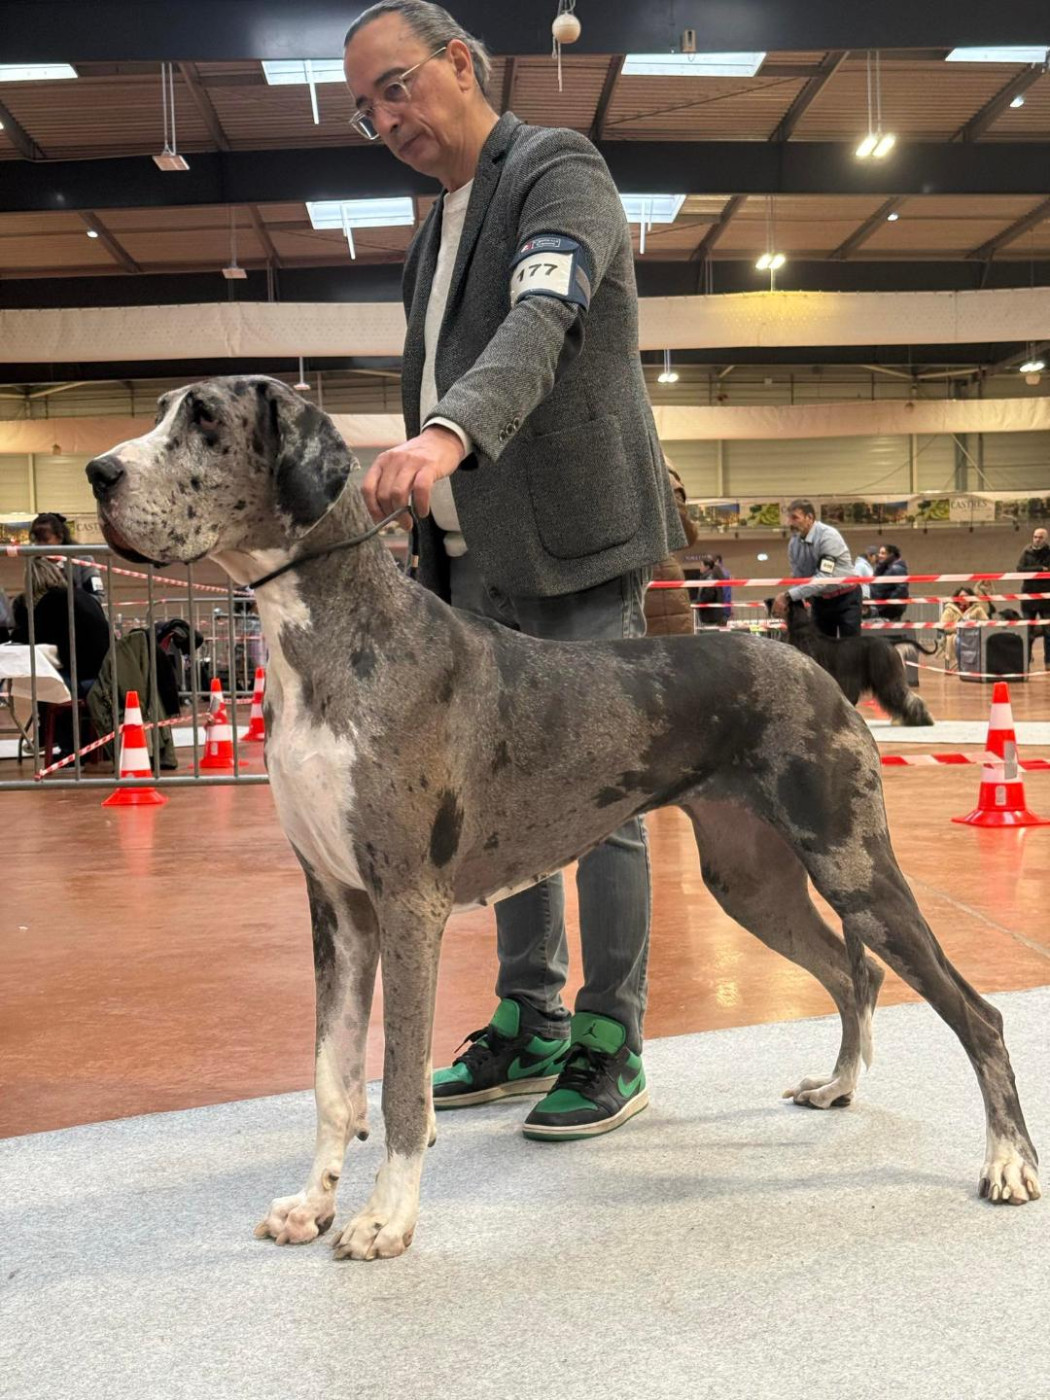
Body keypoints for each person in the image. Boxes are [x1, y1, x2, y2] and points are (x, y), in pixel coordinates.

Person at [343, 1, 685, 1140]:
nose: (384, 117)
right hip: (466, 561)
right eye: (362, 107)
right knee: (493, 797)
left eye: (395, 85)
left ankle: (611, 1034)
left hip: (576, 542)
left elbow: (541, 318)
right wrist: (428, 521)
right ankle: (530, 1018)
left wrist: (446, 435)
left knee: (604, 794)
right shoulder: (435, 227)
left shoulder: (557, 169)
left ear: (458, 61)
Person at [11, 558, 111, 757]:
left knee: (44, 683)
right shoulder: (81, 596)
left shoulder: (50, 602)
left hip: (84, 676)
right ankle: (70, 741)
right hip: (104, 674)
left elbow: (30, 635)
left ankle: (61, 742)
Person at [771, 498, 862, 638]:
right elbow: (798, 576)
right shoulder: (793, 543)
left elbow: (824, 578)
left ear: (810, 518)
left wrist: (788, 596)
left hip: (846, 598)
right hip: (820, 601)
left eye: (795, 518)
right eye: (789, 518)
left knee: (850, 648)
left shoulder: (829, 536)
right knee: (820, 648)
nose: (790, 523)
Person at [643, 461, 701, 636]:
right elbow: (684, 533)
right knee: (671, 654)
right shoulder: (659, 466)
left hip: (609, 579)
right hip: (658, 574)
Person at [29, 513, 105, 601]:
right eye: (38, 540)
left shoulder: (83, 559)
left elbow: (97, 596)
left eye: (46, 540)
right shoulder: (34, 563)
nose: (41, 545)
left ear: (60, 538)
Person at [1017, 526, 1050, 669]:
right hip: (1028, 598)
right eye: (1035, 537)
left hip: (1046, 599)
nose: (1037, 539)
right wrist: (1039, 569)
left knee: (1048, 631)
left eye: (1040, 537)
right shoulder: (1026, 551)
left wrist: (1042, 571)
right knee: (1027, 631)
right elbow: (1020, 569)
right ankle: (1026, 659)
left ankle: (1048, 661)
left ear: (1045, 539)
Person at [937, 587, 988, 672]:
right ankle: (959, 665)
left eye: (966, 596)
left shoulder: (978, 609)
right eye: (961, 596)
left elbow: (986, 623)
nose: (963, 598)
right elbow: (943, 625)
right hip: (955, 635)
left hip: (974, 636)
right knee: (958, 641)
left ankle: (975, 665)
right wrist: (959, 628)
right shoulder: (949, 610)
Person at [870, 543, 909, 624]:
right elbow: (874, 580)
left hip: (890, 609)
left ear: (891, 555)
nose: (879, 555)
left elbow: (902, 588)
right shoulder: (885, 567)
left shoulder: (897, 568)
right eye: (879, 553)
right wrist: (880, 566)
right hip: (882, 607)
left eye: (883, 553)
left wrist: (888, 603)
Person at [695, 554, 728, 628]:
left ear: (707, 567)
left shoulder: (709, 578)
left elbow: (709, 594)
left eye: (701, 565)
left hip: (711, 614)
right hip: (713, 613)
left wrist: (698, 602)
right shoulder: (709, 576)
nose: (700, 567)